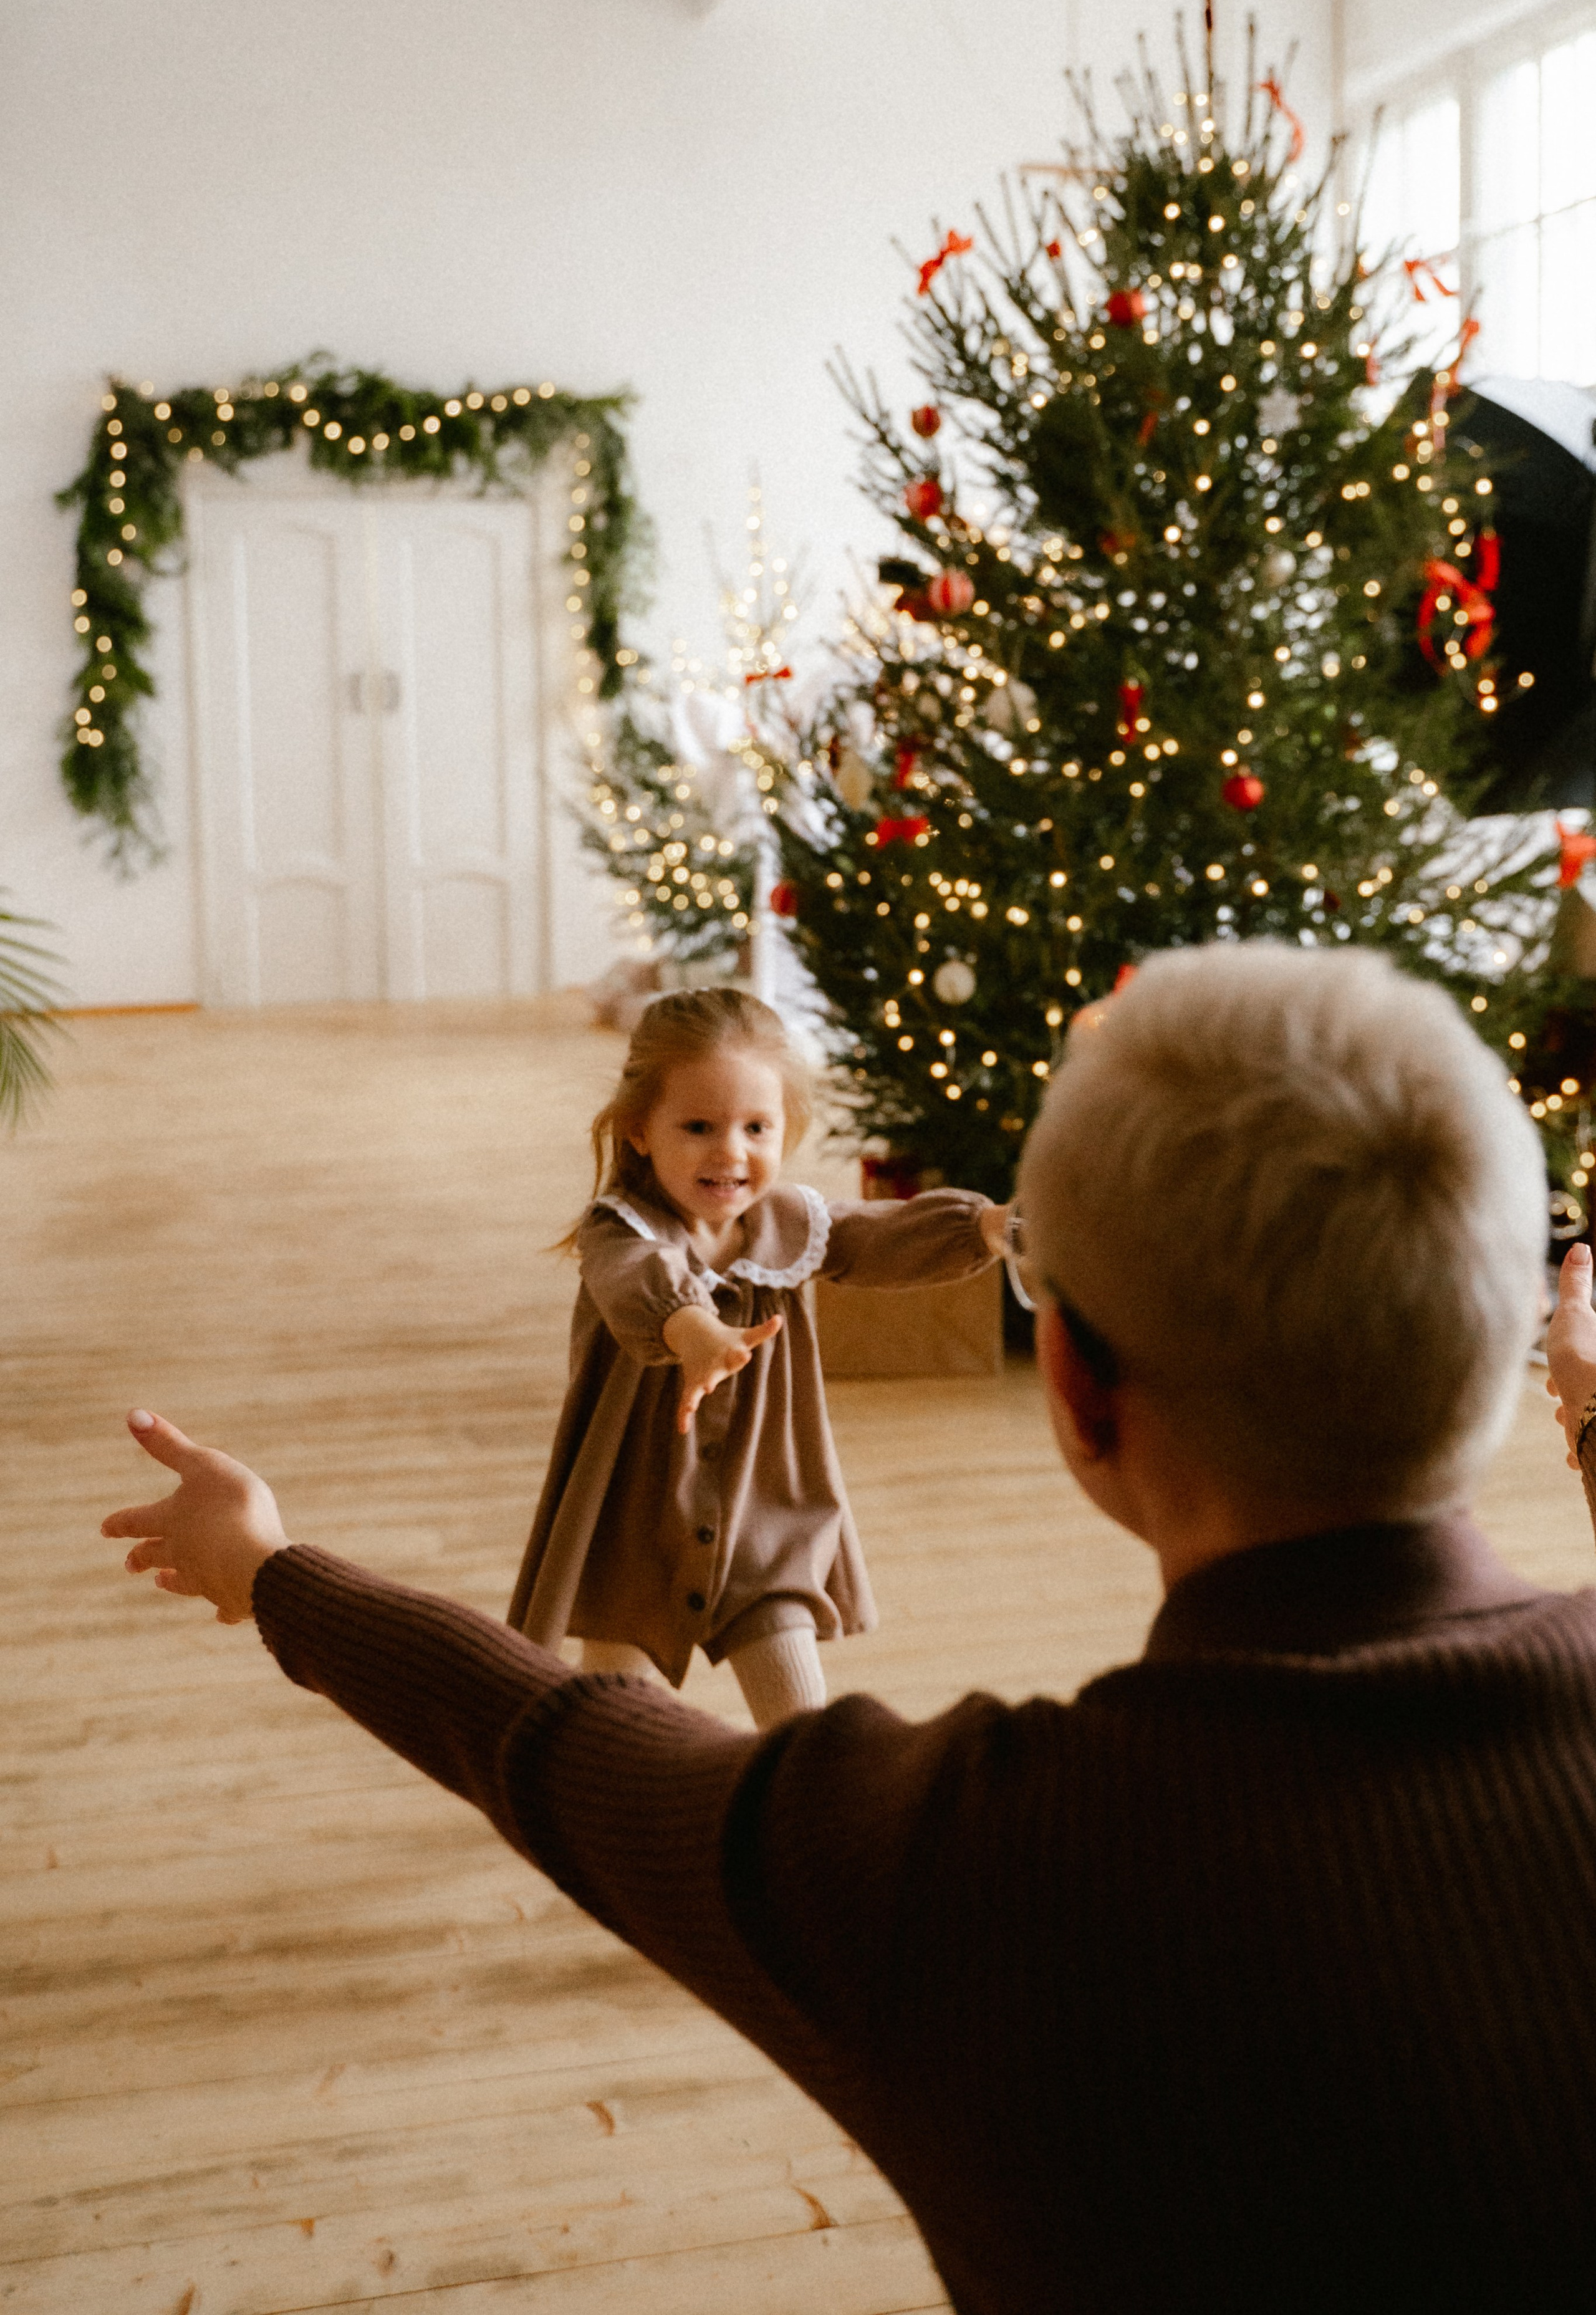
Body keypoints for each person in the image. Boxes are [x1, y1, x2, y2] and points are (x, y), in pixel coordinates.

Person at [102, 943, 1596, 2313]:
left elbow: (549, 1738)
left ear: (1071, 1383)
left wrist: (274, 1570)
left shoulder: (948, 1859)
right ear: (1502, 1337)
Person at [506, 986, 1006, 1725]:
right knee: (611, 1724)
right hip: (635, 1526)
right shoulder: (622, 1231)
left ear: (786, 1130)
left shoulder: (787, 1223)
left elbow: (874, 1237)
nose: (730, 1153)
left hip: (763, 1519)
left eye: (756, 1127)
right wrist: (693, 1331)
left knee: (800, 1723)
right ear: (641, 1129)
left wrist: (985, 1227)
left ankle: (809, 1823)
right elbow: (639, 1283)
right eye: (699, 1126)